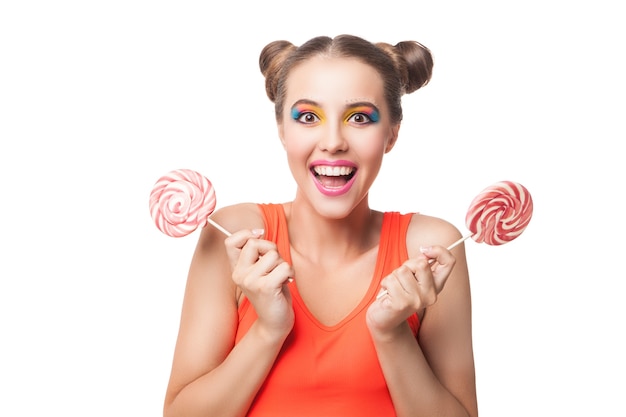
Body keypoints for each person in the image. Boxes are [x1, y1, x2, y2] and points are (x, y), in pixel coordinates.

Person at [162, 34, 478, 417]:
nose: (333, 142)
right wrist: (268, 330)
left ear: (391, 133)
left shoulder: (431, 252)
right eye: (308, 117)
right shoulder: (235, 238)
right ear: (282, 129)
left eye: (359, 117)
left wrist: (391, 333)